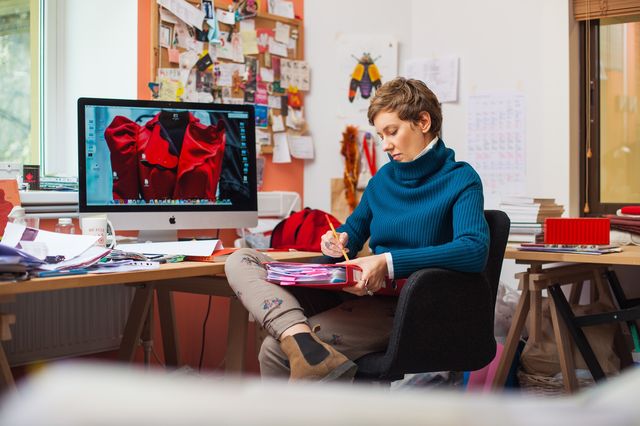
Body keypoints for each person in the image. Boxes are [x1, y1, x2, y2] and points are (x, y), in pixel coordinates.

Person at [224, 77, 489, 381]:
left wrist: (387, 262)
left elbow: (473, 249)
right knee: (241, 259)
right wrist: (336, 241)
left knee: (274, 351)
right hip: (363, 296)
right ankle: (297, 335)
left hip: (413, 308)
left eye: (392, 131)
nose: (385, 144)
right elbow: (352, 231)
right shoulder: (382, 180)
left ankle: (302, 348)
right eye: (381, 135)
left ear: (423, 122)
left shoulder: (461, 179)